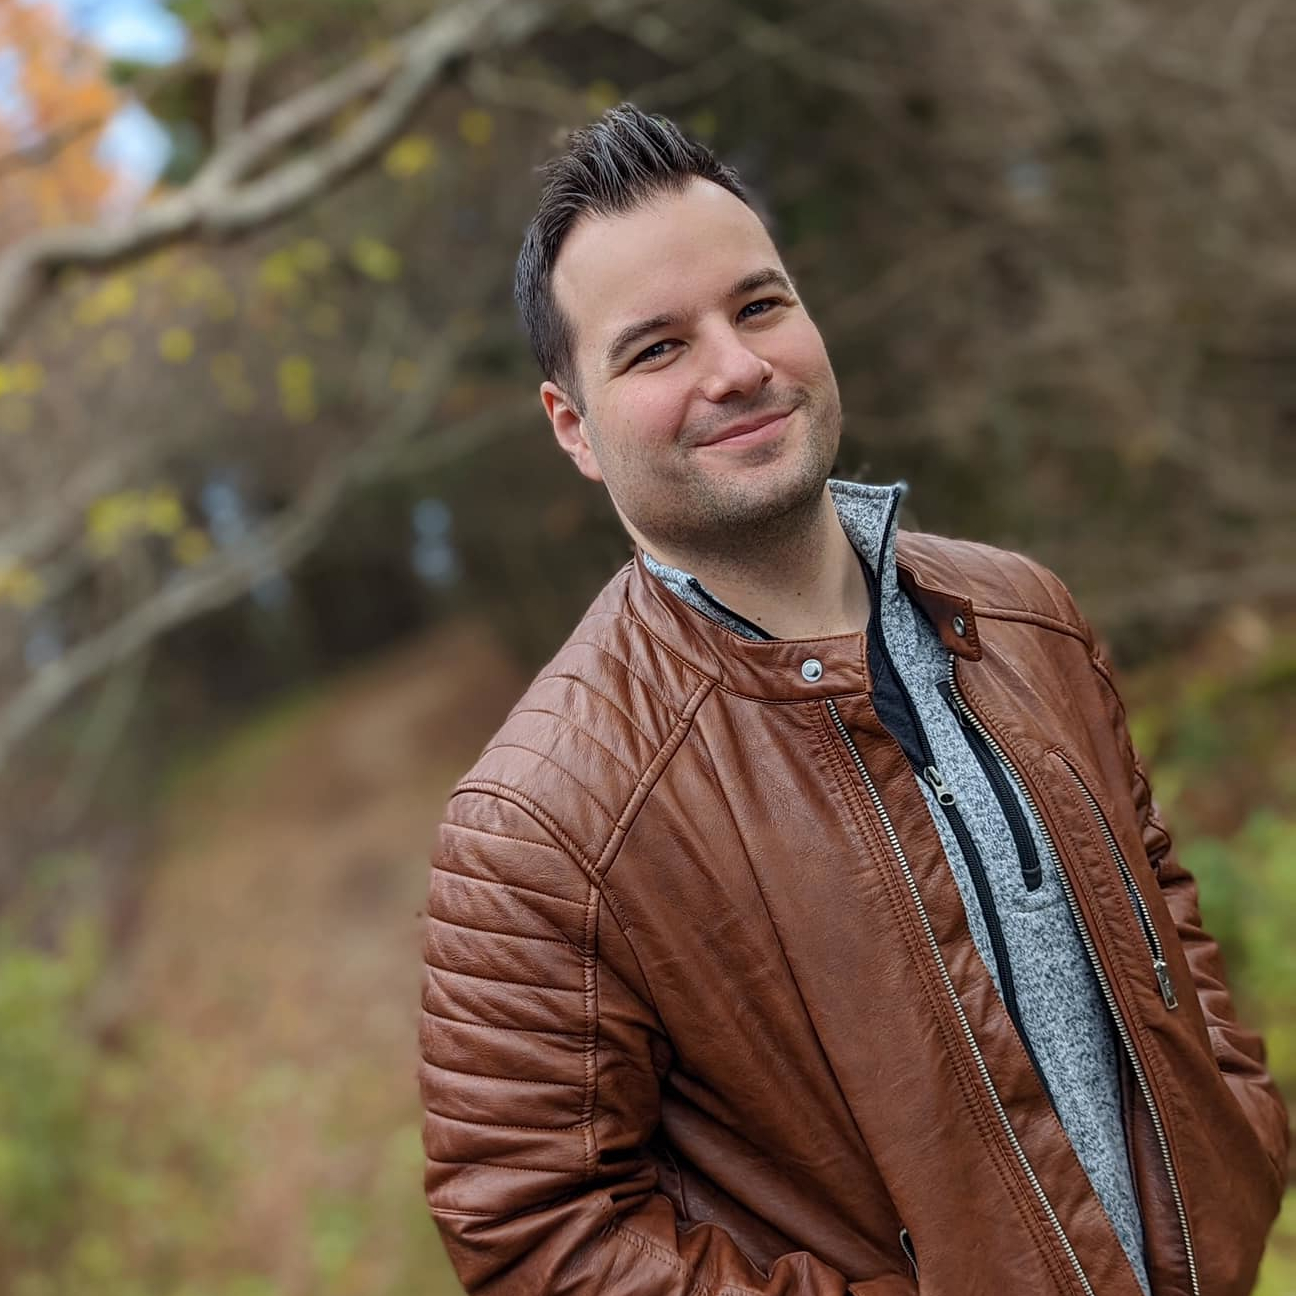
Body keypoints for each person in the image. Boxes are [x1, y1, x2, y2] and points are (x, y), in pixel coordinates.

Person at [418, 105, 1288, 1296]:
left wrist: (1236, 1125)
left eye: (759, 305)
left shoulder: (1025, 616)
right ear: (572, 424)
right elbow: (533, 1234)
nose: (736, 367)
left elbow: (1158, 902)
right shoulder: (540, 821)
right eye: (657, 348)